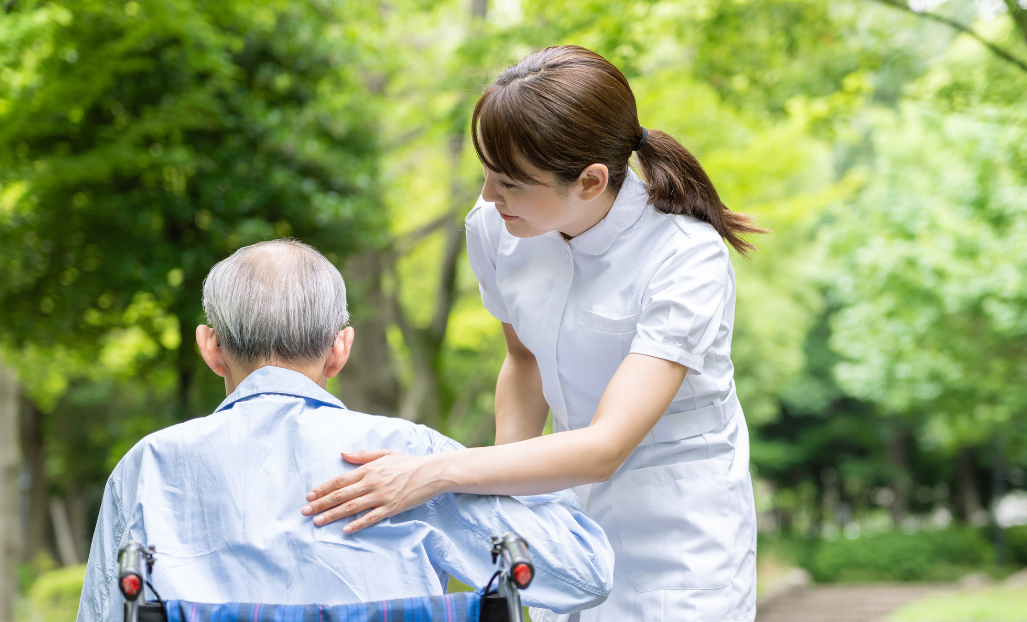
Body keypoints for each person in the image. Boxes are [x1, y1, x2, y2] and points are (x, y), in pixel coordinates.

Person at [301, 46, 765, 621]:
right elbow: (522, 360)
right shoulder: (497, 229)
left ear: (591, 181)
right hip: (562, 518)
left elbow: (604, 447)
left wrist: (435, 473)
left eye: (512, 183)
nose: (491, 197)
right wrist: (503, 507)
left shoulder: (684, 258)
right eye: (487, 174)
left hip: (680, 535)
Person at [75, 239, 614, 622]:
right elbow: (583, 572)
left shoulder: (148, 467)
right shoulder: (408, 460)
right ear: (341, 348)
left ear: (210, 347)